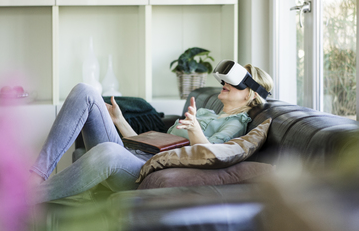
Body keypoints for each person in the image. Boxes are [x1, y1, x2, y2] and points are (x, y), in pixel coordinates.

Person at [30, 61, 273, 203]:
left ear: (250, 93)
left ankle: (24, 199)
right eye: (226, 81)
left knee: (109, 152)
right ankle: (34, 176)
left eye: (236, 83)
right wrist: (120, 121)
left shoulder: (237, 123)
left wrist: (195, 130)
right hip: (137, 157)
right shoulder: (208, 113)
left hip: (140, 174)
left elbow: (212, 155)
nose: (225, 85)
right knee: (86, 91)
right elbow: (156, 145)